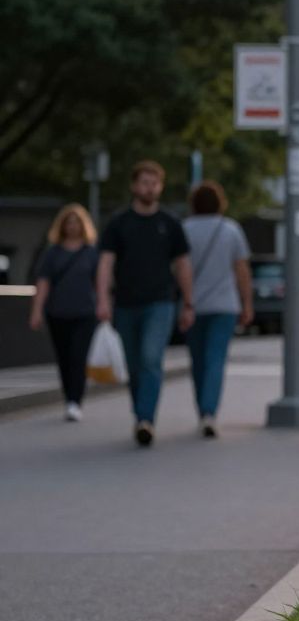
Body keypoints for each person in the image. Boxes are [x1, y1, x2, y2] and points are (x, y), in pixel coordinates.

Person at [96, 161, 192, 446]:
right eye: (144, 182)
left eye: (154, 183)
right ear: (134, 186)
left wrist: (189, 302)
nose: (149, 188)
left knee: (151, 358)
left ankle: (145, 418)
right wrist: (102, 299)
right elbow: (105, 263)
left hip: (160, 302)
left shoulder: (170, 224)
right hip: (125, 303)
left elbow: (183, 264)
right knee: (134, 364)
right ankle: (140, 412)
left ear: (160, 187)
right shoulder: (119, 223)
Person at [180, 182, 253, 438]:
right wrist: (247, 304)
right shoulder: (230, 230)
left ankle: (202, 409)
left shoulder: (184, 229)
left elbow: (178, 268)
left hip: (193, 305)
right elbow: (241, 270)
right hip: (225, 305)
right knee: (215, 360)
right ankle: (210, 412)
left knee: (197, 360)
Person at [28, 205, 101, 421]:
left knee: (78, 357)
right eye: (69, 223)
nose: (72, 227)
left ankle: (75, 401)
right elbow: (43, 282)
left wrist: (103, 305)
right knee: (64, 358)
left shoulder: (91, 253)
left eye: (76, 223)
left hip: (85, 312)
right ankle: (69, 396)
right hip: (58, 312)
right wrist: (36, 310)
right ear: (62, 226)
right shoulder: (53, 253)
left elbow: (100, 282)